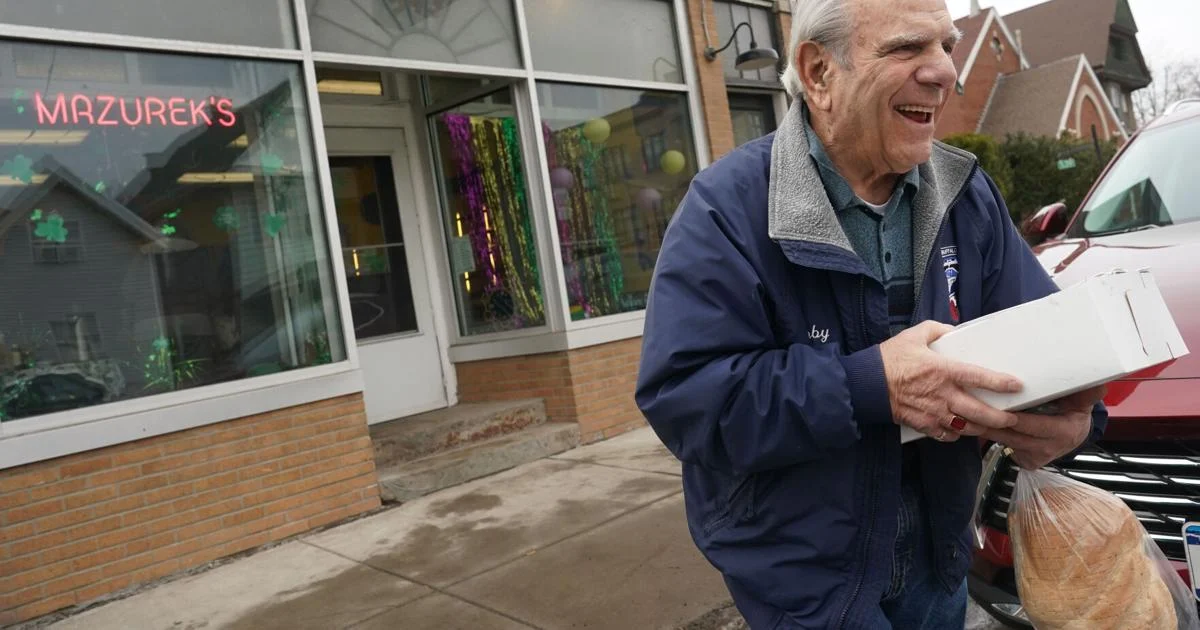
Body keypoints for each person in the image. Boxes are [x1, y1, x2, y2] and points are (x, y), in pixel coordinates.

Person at [633, 0, 1109, 628]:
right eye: (908, 47)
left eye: (946, 45)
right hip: (803, 579)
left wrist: (1074, 422)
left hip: (940, 558)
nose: (945, 71)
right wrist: (871, 385)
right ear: (819, 73)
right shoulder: (727, 208)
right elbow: (688, 400)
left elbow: (1051, 340)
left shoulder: (967, 195)